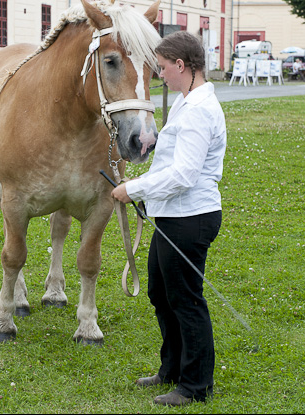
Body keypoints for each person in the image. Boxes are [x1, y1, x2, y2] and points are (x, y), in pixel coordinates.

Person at [111, 31, 226, 407]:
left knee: (186, 300)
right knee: (161, 293)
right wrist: (151, 144)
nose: (159, 75)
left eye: (162, 68)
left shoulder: (198, 111)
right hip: (173, 214)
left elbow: (184, 175)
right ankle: (171, 369)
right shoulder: (184, 102)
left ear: (181, 65)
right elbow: (173, 154)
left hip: (190, 217)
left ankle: (195, 386)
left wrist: (135, 189)